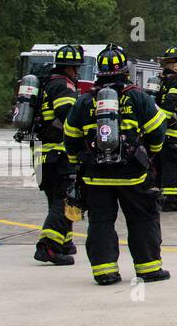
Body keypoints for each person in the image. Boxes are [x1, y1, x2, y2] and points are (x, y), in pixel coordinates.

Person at [62, 44, 169, 285]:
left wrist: (77, 164)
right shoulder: (138, 97)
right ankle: (149, 269)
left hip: (95, 177)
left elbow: (70, 137)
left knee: (100, 222)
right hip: (133, 175)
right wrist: (148, 157)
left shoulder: (84, 101)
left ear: (99, 72)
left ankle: (104, 272)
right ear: (125, 71)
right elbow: (157, 133)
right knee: (142, 219)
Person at [32, 44, 83, 265]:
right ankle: (48, 247)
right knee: (65, 200)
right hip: (59, 154)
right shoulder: (63, 86)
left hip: (41, 155)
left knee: (58, 199)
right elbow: (68, 116)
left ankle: (64, 242)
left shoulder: (46, 85)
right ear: (70, 68)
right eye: (76, 68)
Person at [155, 46, 177, 212]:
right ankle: (170, 201)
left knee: (158, 165)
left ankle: (157, 198)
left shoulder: (161, 80)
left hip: (156, 133)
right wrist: (167, 122)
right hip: (170, 133)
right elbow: (171, 103)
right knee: (172, 166)